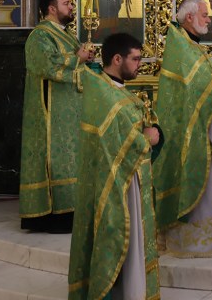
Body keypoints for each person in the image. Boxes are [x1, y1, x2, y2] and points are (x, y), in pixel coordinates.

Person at [68, 33, 163, 300]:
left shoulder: (113, 89)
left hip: (128, 177)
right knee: (117, 238)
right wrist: (148, 138)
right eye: (135, 59)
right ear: (117, 59)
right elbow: (119, 139)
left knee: (132, 244)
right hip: (115, 184)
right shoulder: (102, 92)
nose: (139, 64)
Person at [152, 0, 212, 257]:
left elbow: (202, 84)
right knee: (199, 179)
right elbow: (199, 85)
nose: (209, 19)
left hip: (202, 124)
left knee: (210, 182)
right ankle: (191, 242)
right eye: (204, 14)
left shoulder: (190, 45)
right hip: (190, 131)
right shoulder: (180, 46)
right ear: (189, 17)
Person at [19, 0, 93, 233]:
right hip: (50, 110)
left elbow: (74, 62)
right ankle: (53, 215)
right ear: (52, 8)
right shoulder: (39, 36)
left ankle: (73, 210)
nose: (71, 7)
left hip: (70, 109)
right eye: (66, 3)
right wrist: (77, 59)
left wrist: (85, 58)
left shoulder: (66, 34)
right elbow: (45, 66)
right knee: (56, 159)